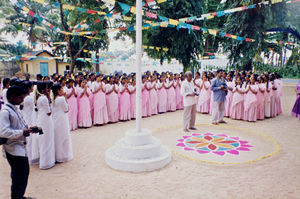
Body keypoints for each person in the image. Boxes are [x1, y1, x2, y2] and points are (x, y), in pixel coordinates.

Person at [0, 86, 37, 199]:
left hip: (20, 147)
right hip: (13, 149)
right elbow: (3, 132)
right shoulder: (5, 112)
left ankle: (19, 196)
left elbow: (19, 125)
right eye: (20, 97)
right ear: (12, 97)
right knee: (19, 177)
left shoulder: (14, 108)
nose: (22, 99)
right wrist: (22, 132)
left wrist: (29, 128)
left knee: (22, 175)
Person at [52, 84, 73, 163]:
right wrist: (65, 98)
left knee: (57, 136)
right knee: (64, 136)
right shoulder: (61, 99)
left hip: (55, 118)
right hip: (62, 118)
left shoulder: (52, 99)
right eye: (61, 89)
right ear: (58, 91)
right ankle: (63, 155)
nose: (63, 90)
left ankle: (57, 155)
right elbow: (66, 109)